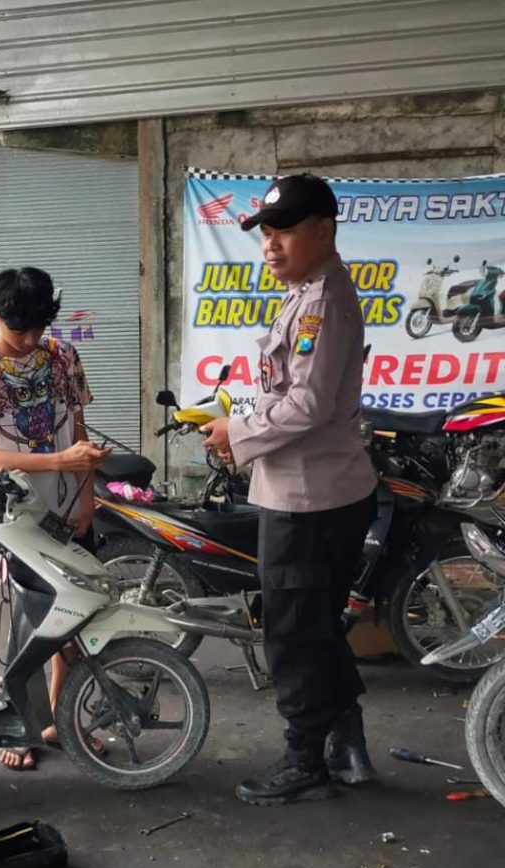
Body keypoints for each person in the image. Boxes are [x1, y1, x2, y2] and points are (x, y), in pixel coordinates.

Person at [200, 174, 378, 806]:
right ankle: (345, 746)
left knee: (294, 630)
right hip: (312, 487)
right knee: (318, 625)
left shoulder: (324, 300)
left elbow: (306, 403)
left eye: (283, 233)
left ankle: (306, 761)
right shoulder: (307, 290)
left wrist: (236, 431)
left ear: (324, 231)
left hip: (310, 497)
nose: (270, 246)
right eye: (266, 234)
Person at [0, 267, 110, 771]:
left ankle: (61, 724)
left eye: (39, 326)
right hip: (12, 517)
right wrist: (60, 463)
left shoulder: (64, 357)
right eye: (19, 329)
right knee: (31, 624)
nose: (30, 338)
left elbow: (79, 432)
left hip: (70, 507)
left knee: (74, 620)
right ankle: (24, 724)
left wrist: (85, 495)